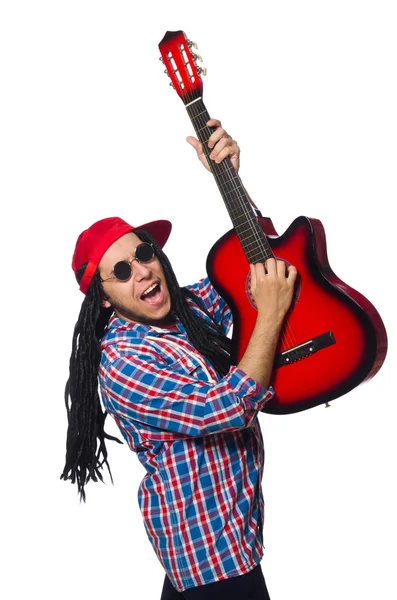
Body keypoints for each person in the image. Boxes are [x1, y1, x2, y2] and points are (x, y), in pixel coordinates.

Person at [61, 119, 297, 599]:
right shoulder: (124, 361)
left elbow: (257, 272)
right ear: (103, 299)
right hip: (212, 562)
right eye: (121, 271)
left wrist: (230, 181)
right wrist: (269, 317)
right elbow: (227, 408)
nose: (143, 270)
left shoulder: (182, 313)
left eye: (144, 253)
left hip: (227, 546)